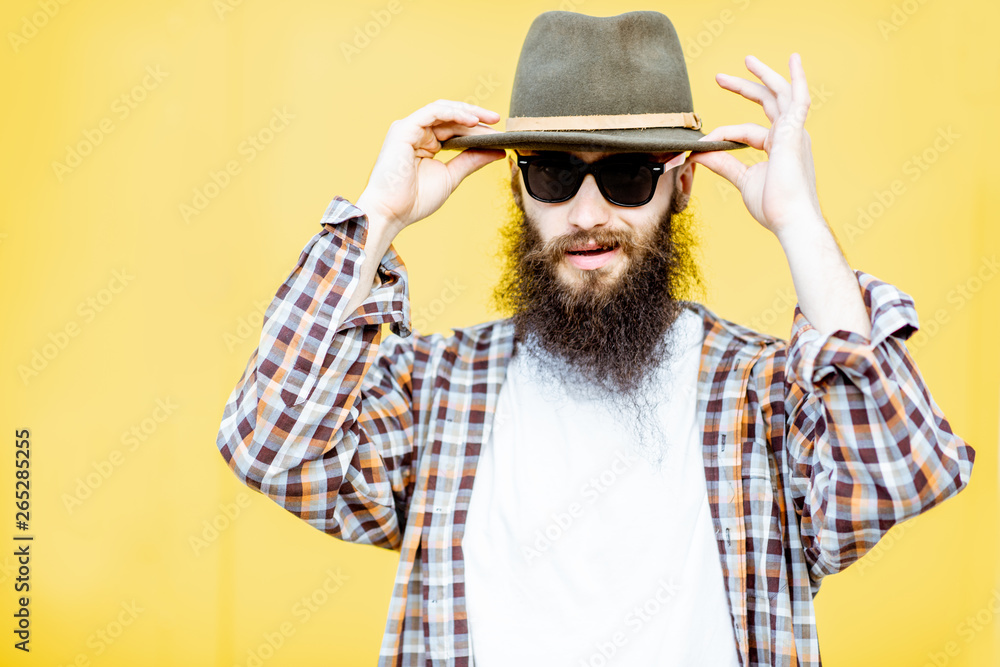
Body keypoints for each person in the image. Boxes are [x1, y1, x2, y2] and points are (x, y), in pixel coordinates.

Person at [216, 10, 975, 666]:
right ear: (516, 184)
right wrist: (377, 217)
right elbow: (271, 446)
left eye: (627, 176)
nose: (585, 215)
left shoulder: (763, 393)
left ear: (682, 183)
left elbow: (897, 477)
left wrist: (802, 225)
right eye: (552, 173)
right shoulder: (439, 391)